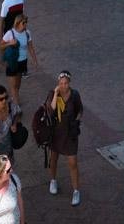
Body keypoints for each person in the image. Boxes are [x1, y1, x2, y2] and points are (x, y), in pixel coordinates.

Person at [47, 70, 83, 204]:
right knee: (53, 158)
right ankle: (53, 180)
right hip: (56, 133)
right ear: (58, 83)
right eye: (61, 83)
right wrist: (56, 94)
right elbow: (51, 111)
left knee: (73, 162)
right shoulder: (53, 94)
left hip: (70, 133)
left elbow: (80, 110)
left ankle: (76, 191)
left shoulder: (75, 95)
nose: (63, 86)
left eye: (66, 83)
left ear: (69, 83)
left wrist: (77, 121)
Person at [0, 14, 38, 105]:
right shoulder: (10, 33)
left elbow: (31, 47)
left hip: (22, 62)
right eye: (23, 23)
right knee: (13, 86)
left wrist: (35, 60)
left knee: (17, 85)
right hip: (12, 62)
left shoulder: (27, 33)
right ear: (17, 23)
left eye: (26, 22)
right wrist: (9, 43)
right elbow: (0, 46)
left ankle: (14, 97)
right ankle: (17, 105)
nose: (25, 24)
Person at [0, 0, 25, 72]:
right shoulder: (6, 3)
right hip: (8, 30)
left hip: (18, 29)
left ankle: (19, 68)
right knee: (5, 51)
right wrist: (0, 35)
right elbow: (2, 20)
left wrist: (23, 27)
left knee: (19, 48)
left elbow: (21, 15)